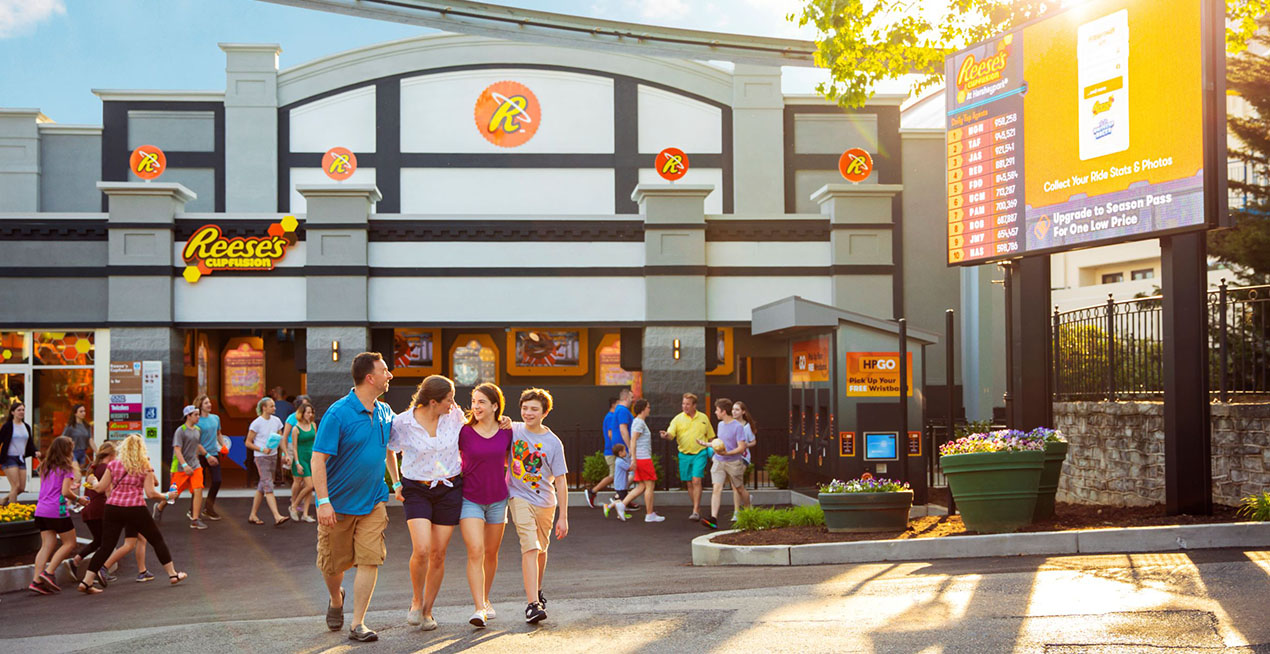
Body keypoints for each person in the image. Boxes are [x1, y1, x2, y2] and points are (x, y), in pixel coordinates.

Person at [312, 352, 396, 642]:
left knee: (370, 559)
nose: (390, 375)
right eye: (385, 370)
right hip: (337, 505)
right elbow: (318, 459)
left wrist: (395, 482)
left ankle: (358, 623)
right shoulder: (338, 414)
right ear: (370, 377)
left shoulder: (385, 412)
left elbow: (389, 449)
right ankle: (337, 599)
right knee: (332, 565)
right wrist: (323, 501)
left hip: (373, 501)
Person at [78, 434, 188, 594]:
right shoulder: (145, 466)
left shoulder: (114, 465)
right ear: (140, 449)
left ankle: (86, 582)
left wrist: (93, 481)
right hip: (135, 508)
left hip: (113, 508)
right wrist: (167, 496)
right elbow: (151, 493)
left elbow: (101, 488)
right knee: (156, 540)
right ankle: (172, 574)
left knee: (106, 546)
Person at [508, 388, 569, 624]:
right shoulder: (512, 429)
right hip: (519, 496)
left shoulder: (553, 443)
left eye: (534, 409)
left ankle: (538, 589)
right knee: (530, 547)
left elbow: (561, 480)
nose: (528, 413)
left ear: (544, 412)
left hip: (545, 502)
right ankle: (532, 604)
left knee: (541, 550)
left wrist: (563, 516)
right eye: (524, 408)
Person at [457, 383, 512, 628]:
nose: (476, 406)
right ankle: (479, 608)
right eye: (474, 401)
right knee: (476, 551)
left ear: (494, 406)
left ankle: (486, 599)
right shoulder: (464, 432)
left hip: (499, 500)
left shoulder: (507, 432)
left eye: (481, 402)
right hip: (470, 499)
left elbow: (517, 460)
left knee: (491, 553)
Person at [28, 435, 87, 595]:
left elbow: (50, 487)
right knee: (70, 543)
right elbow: (64, 492)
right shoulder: (67, 468)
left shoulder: (45, 466)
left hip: (41, 509)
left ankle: (36, 581)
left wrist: (69, 485)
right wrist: (78, 498)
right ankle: (49, 572)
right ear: (66, 450)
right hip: (57, 511)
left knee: (46, 545)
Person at [660, 393, 714, 520]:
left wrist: (713, 448)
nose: (685, 406)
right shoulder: (677, 419)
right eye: (683, 403)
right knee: (689, 483)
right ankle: (697, 507)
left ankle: (695, 510)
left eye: (688, 404)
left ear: (694, 405)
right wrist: (666, 435)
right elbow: (671, 434)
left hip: (700, 453)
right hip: (684, 454)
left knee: (696, 480)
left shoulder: (703, 418)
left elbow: (711, 436)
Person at [699, 398, 751, 529]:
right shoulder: (720, 425)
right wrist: (707, 444)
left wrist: (727, 453)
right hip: (719, 461)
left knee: (739, 489)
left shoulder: (738, 427)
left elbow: (741, 447)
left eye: (717, 410)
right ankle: (713, 519)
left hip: (734, 462)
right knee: (716, 488)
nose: (715, 412)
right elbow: (720, 442)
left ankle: (749, 509)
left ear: (723, 411)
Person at [153, 405, 207, 529]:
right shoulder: (180, 431)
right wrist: (184, 465)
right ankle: (159, 507)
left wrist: (207, 455)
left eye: (198, 414)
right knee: (174, 494)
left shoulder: (198, 430)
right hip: (181, 468)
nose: (198, 417)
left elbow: (197, 446)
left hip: (195, 466)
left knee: (198, 489)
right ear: (188, 416)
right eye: (196, 415)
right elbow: (177, 450)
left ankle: (195, 519)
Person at [610, 398, 663, 522]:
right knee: (650, 485)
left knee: (642, 486)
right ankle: (650, 514)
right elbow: (633, 440)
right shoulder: (639, 422)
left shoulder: (638, 422)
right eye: (648, 407)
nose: (649, 409)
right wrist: (633, 458)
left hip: (640, 458)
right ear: (643, 409)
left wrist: (634, 458)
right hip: (643, 458)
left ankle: (622, 504)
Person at [71, 442, 116, 582]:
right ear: (111, 455)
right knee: (107, 543)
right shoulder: (106, 469)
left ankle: (76, 561)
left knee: (99, 540)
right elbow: (108, 490)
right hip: (100, 509)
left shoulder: (93, 468)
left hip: (89, 510)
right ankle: (96, 571)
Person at [247, 396, 289, 527]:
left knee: (263, 485)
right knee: (268, 485)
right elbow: (248, 442)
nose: (274, 408)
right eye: (271, 406)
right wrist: (261, 449)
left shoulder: (276, 421)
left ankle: (253, 515)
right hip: (261, 457)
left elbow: (281, 438)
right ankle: (277, 516)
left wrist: (285, 453)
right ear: (264, 408)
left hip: (273, 456)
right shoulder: (256, 423)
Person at [194, 394, 228, 521]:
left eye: (209, 402)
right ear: (200, 406)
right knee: (199, 484)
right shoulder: (196, 421)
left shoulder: (215, 418)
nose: (209, 405)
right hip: (200, 456)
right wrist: (206, 455)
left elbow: (219, 433)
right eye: (206, 403)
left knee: (217, 480)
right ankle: (193, 509)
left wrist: (223, 445)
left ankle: (208, 507)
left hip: (213, 453)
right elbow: (196, 441)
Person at [286, 400, 318, 523]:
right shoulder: (296, 428)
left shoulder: (313, 425)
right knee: (309, 485)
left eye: (311, 412)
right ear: (302, 413)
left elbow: (315, 442)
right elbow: (294, 447)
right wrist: (297, 463)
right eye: (307, 412)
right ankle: (294, 505)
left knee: (309, 487)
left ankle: (305, 514)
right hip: (300, 457)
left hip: (311, 457)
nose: (310, 415)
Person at [584, 397, 617, 507]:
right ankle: (593, 491)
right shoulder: (611, 417)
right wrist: (619, 448)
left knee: (618, 475)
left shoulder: (610, 417)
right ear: (614, 404)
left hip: (611, 451)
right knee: (614, 475)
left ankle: (621, 497)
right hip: (612, 451)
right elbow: (610, 434)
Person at [1, 401, 34, 505]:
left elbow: (30, 444)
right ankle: (13, 509)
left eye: (23, 410)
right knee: (15, 486)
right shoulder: (8, 426)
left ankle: (4, 499)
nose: (21, 412)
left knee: (21, 488)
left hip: (21, 458)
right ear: (12, 412)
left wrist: (35, 452)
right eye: (19, 410)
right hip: (9, 458)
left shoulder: (26, 427)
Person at [732, 400, 759, 517]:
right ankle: (747, 499)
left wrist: (745, 445)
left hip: (743, 457)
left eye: (737, 409)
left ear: (743, 412)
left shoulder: (747, 427)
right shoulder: (730, 424)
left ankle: (737, 511)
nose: (734, 412)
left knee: (735, 484)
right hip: (732, 456)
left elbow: (753, 442)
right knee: (737, 485)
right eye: (733, 409)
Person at [601, 442, 633, 520]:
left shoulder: (620, 460)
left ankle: (620, 514)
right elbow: (629, 468)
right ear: (620, 453)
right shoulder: (620, 461)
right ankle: (608, 506)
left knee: (622, 500)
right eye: (625, 451)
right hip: (620, 485)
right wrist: (635, 463)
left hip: (621, 484)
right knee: (621, 500)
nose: (626, 452)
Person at [62, 404, 93, 468]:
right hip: (73, 452)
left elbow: (90, 440)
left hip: (83, 452)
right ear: (75, 413)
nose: (83, 413)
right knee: (75, 469)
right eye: (81, 411)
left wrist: (97, 452)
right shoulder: (70, 426)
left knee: (79, 471)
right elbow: (63, 439)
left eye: (84, 411)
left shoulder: (87, 426)